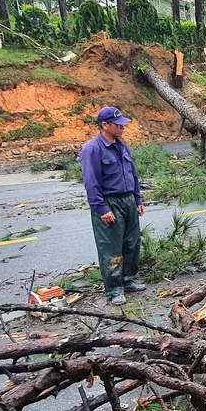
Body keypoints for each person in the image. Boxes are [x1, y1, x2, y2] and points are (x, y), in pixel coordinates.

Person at [79, 107, 147, 305]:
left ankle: (128, 280)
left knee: (131, 243)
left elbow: (132, 174)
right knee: (111, 247)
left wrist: (138, 199)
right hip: (109, 202)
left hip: (128, 200)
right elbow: (91, 183)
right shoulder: (92, 149)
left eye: (122, 124)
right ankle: (114, 289)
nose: (122, 127)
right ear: (105, 125)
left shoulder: (122, 146)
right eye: (118, 124)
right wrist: (102, 209)